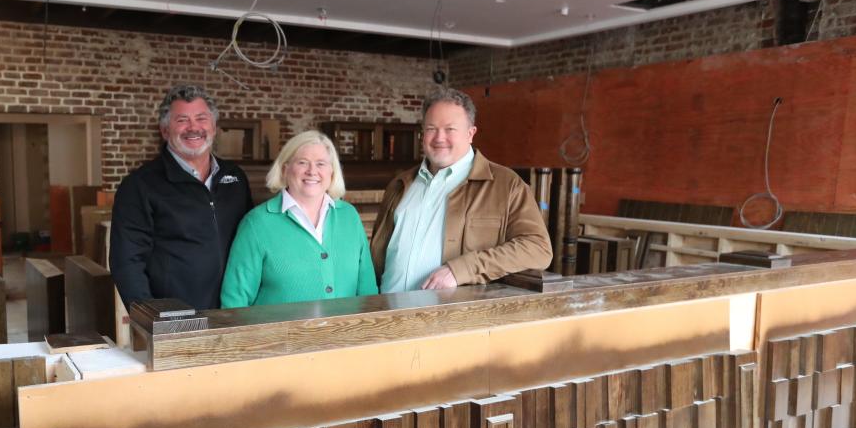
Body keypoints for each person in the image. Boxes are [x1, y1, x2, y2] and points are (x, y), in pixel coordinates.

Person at [371, 87, 551, 291]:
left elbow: (538, 248)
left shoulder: (507, 185)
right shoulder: (400, 184)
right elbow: (378, 258)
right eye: (431, 128)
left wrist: (462, 270)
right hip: (386, 314)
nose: (439, 138)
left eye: (450, 129)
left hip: (450, 318)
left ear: (470, 133)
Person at [110, 84, 252, 310]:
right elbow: (128, 263)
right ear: (165, 131)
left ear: (214, 127)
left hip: (235, 311)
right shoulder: (139, 185)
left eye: (201, 118)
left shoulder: (235, 178)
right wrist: (151, 320)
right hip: (177, 320)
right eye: (182, 120)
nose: (193, 127)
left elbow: (251, 242)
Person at [221, 130, 377, 307]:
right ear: (285, 168)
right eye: (303, 162)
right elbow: (235, 300)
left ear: (332, 171)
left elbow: (368, 289)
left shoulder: (349, 216)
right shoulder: (257, 224)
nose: (312, 171)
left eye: (321, 164)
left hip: (346, 334)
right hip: (278, 335)